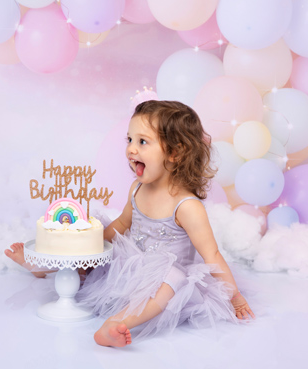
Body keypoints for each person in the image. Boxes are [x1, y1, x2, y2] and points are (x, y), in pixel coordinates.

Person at [74, 100, 255, 348]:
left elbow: (211, 254)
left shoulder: (186, 206)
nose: (130, 150)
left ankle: (117, 323)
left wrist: (235, 297)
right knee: (88, 255)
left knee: (175, 277)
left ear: (174, 152)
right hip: (131, 268)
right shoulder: (137, 188)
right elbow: (122, 223)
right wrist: (93, 246)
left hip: (164, 281)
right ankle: (44, 266)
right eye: (129, 140)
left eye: (142, 142)